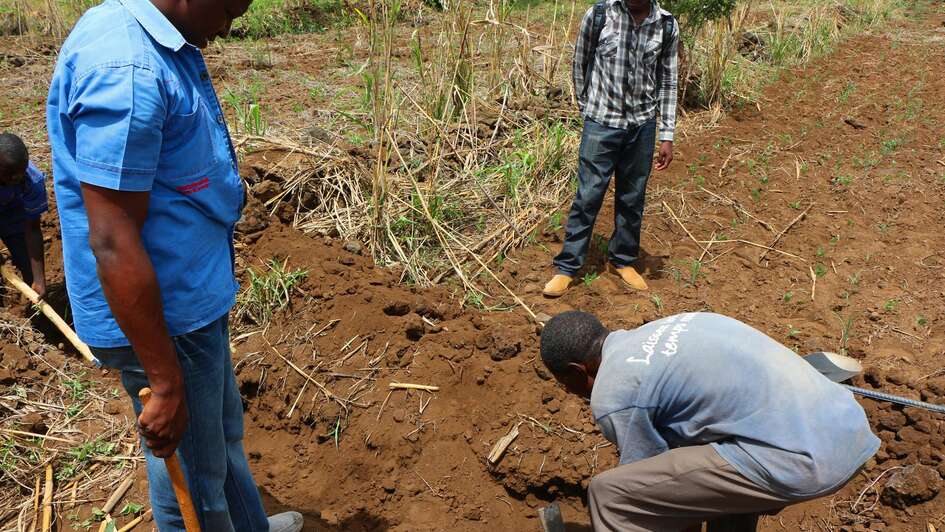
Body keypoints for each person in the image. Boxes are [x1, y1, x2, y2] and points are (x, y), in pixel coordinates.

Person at [46, 1, 302, 531]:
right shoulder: (127, 70)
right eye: (231, 8)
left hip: (188, 303)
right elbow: (113, 240)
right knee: (193, 481)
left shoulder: (147, 38)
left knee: (218, 440)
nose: (229, 26)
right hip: (166, 320)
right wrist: (164, 382)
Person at [539, 310, 880, 531]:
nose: (570, 393)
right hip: (844, 428)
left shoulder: (614, 392)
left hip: (803, 459)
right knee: (712, 465)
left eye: (565, 384)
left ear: (577, 371)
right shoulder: (676, 325)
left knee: (611, 496)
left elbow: (659, 501)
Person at [544, 0, 679, 297]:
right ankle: (568, 267)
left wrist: (666, 134)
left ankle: (623, 260)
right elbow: (579, 63)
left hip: (641, 125)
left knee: (632, 197)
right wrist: (588, 108)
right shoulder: (600, 15)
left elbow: (668, 81)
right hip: (601, 122)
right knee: (588, 195)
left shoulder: (666, 25)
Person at [0, 133, 47, 300]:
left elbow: (32, 228)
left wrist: (39, 280)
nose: (16, 178)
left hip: (13, 214)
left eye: (20, 172)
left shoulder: (32, 181)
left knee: (28, 265)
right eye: (9, 174)